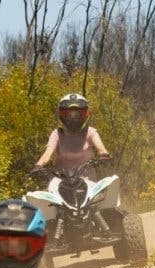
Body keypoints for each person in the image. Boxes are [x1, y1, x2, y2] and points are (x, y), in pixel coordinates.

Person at [31, 92, 114, 238]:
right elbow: (47, 153)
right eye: (69, 114)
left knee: (107, 200)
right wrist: (38, 166)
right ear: (62, 115)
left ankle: (105, 228)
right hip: (60, 181)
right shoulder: (57, 134)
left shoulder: (90, 132)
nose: (73, 118)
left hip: (87, 179)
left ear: (85, 114)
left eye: (77, 114)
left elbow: (101, 148)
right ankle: (52, 235)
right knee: (48, 208)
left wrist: (103, 155)